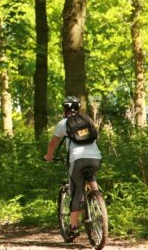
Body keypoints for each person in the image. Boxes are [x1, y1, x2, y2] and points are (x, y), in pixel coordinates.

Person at [44, 96, 102, 239]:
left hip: (77, 159)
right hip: (96, 158)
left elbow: (53, 144)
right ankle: (98, 200)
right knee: (90, 176)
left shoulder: (63, 123)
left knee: (76, 190)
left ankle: (74, 227)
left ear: (65, 109)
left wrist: (49, 157)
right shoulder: (88, 120)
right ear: (78, 108)